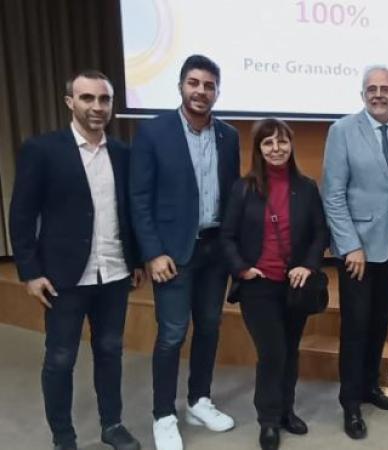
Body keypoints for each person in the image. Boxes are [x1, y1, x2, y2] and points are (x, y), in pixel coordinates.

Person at [9, 70, 143, 450]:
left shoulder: (123, 153)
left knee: (110, 352)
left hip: (114, 274)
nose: (97, 106)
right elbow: (21, 214)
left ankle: (112, 425)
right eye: (87, 98)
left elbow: (128, 212)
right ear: (70, 102)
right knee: (60, 359)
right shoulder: (42, 150)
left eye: (104, 99)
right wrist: (30, 272)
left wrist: (134, 259)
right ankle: (64, 438)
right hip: (63, 279)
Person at [129, 55, 240, 450]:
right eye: (194, 83)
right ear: (180, 86)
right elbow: (139, 198)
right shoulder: (153, 132)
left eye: (209, 86)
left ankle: (198, 400)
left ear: (217, 92)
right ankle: (163, 414)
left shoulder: (229, 136)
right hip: (172, 255)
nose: (201, 91)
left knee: (209, 327)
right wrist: (152, 253)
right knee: (173, 333)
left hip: (214, 251)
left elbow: (232, 196)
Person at [220, 118, 328, 450]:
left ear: (291, 145)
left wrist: (308, 265)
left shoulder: (306, 187)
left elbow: (320, 233)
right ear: (258, 149)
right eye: (268, 143)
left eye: (282, 141)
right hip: (258, 286)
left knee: (290, 350)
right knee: (272, 353)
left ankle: (286, 411)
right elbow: (227, 236)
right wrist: (242, 269)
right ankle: (268, 420)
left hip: (295, 285)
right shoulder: (243, 188)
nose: (276, 148)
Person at [321, 65, 388, 439]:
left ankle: (369, 386)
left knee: (379, 322)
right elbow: (333, 194)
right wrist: (350, 246)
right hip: (356, 253)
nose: (379, 94)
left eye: (385, 88)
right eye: (372, 88)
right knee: (356, 327)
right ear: (362, 94)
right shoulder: (342, 131)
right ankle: (350, 402)